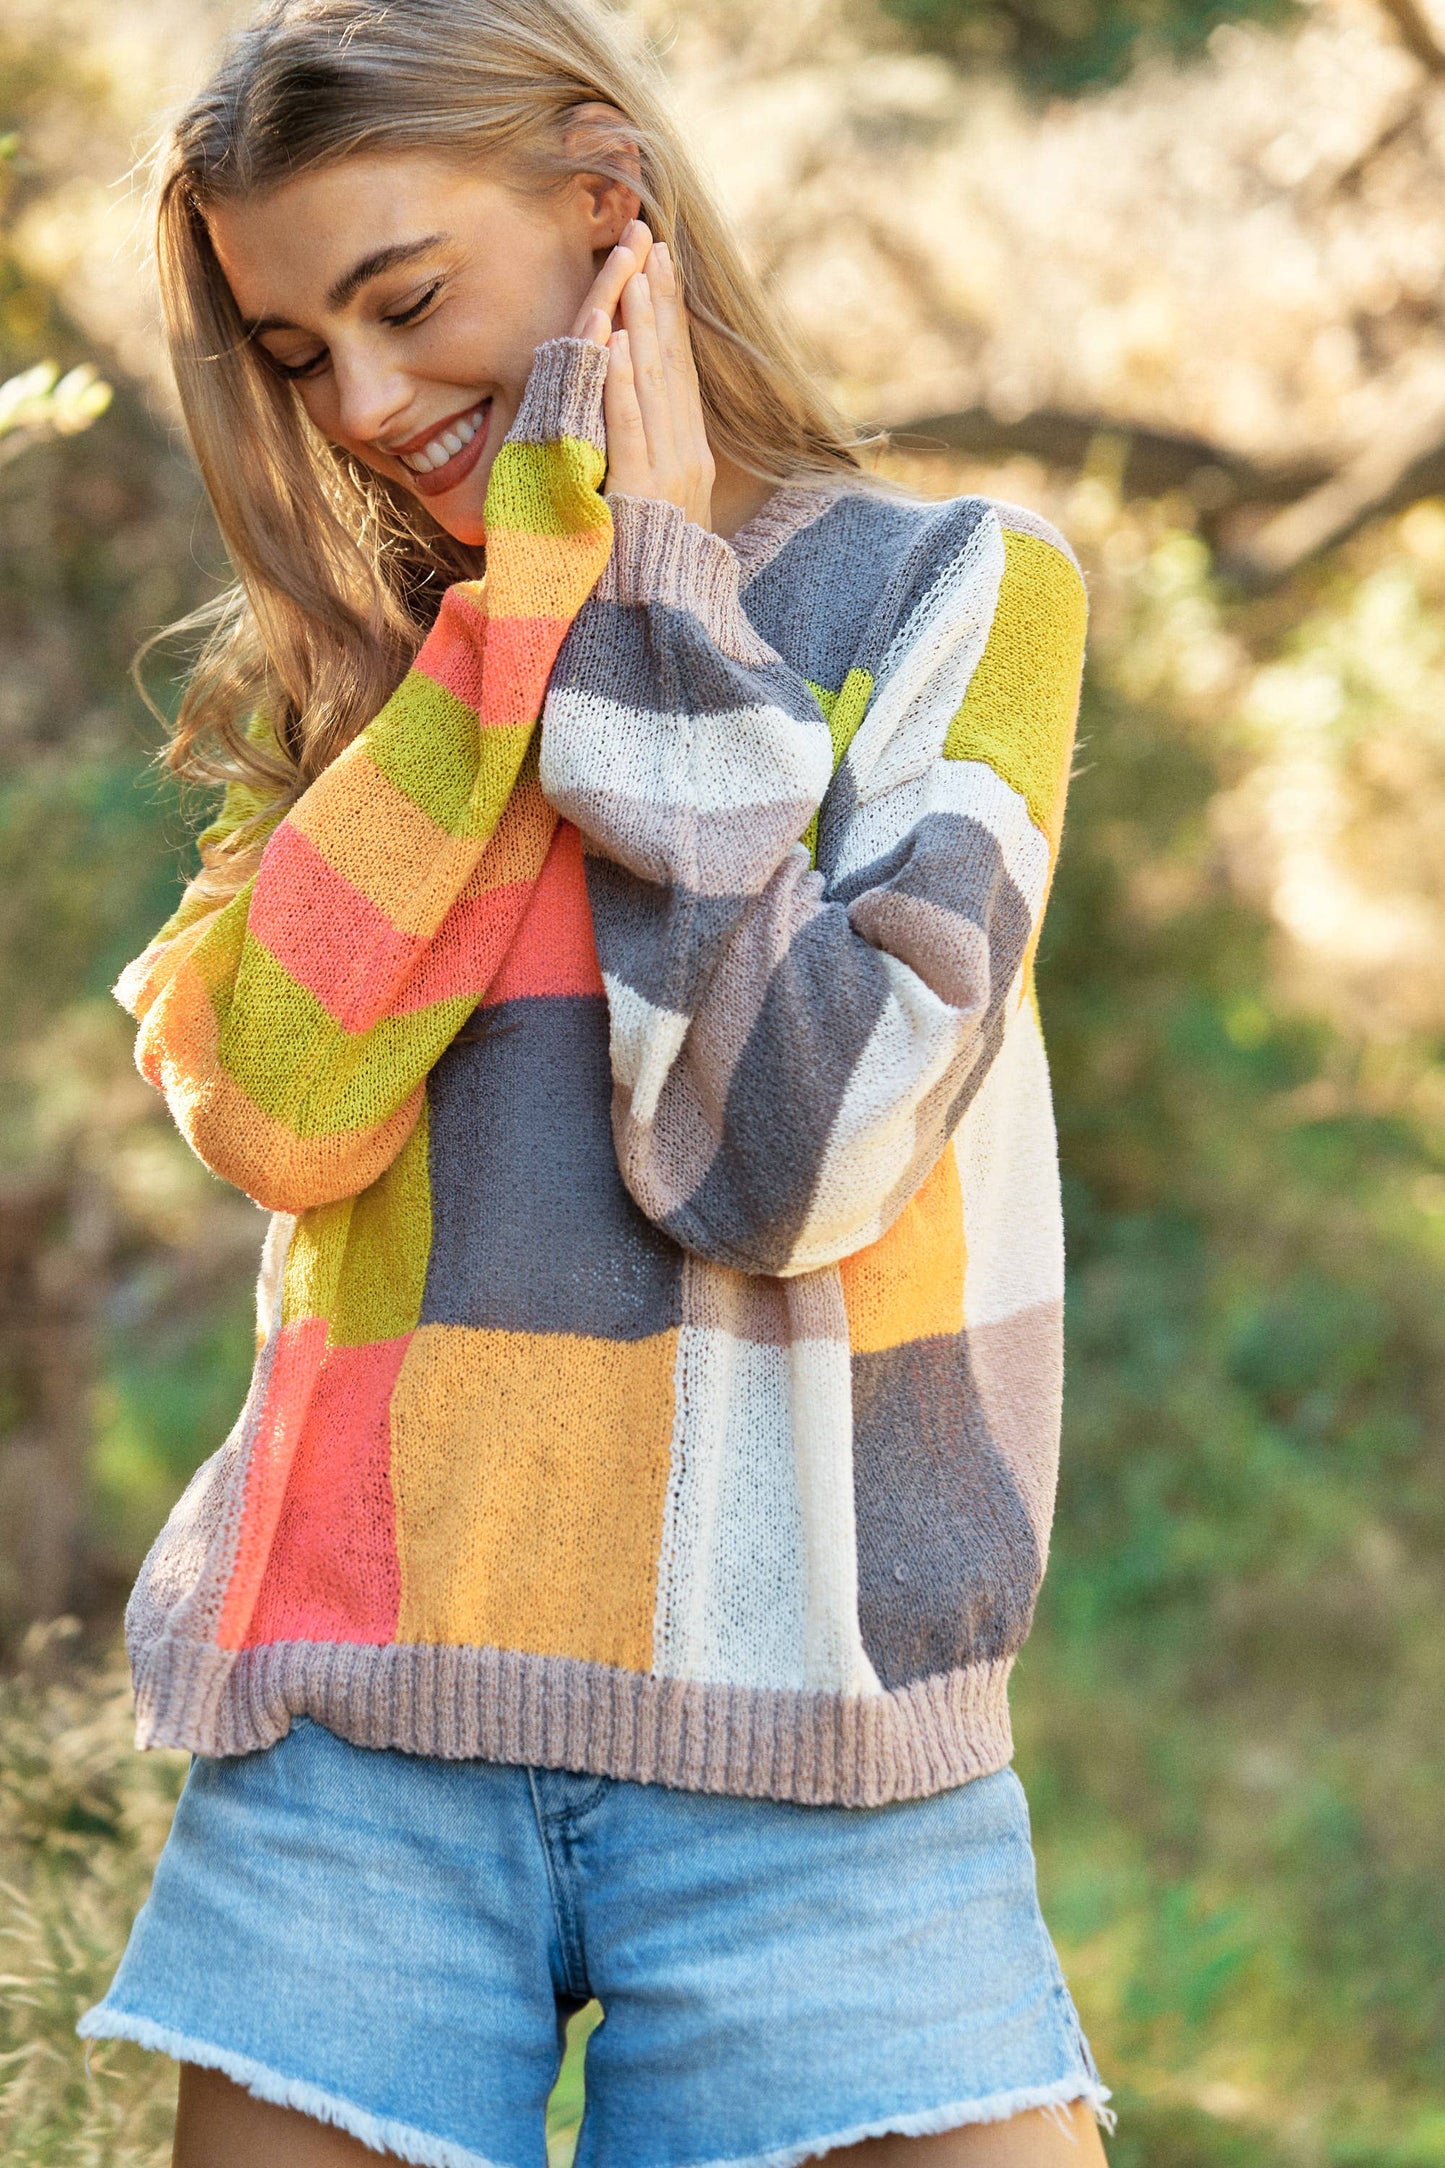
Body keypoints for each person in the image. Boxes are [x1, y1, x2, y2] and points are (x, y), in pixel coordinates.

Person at [78, 2, 1113, 2163]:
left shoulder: (953, 595)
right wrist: (519, 623)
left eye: (403, 300)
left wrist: (656, 610)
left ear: (604, 204)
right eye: (294, 355)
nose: (359, 405)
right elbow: (280, 1112)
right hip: (360, 1749)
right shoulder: (389, 682)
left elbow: (793, 1156)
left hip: (817, 1745)